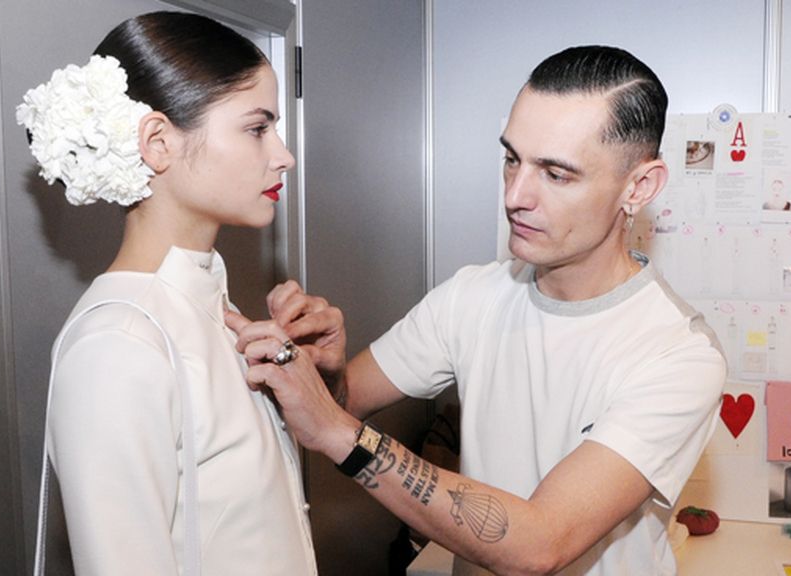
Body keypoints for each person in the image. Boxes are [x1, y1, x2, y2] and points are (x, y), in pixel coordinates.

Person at [228, 46, 726, 575]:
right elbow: (342, 404)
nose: (515, 195)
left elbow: (541, 544)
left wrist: (335, 430)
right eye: (512, 158)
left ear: (639, 186)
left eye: (556, 174)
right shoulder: (473, 296)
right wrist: (322, 376)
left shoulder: (679, 354)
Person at [20, 12, 317, 575]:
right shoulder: (118, 345)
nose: (283, 156)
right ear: (157, 142)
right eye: (258, 128)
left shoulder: (212, 307)